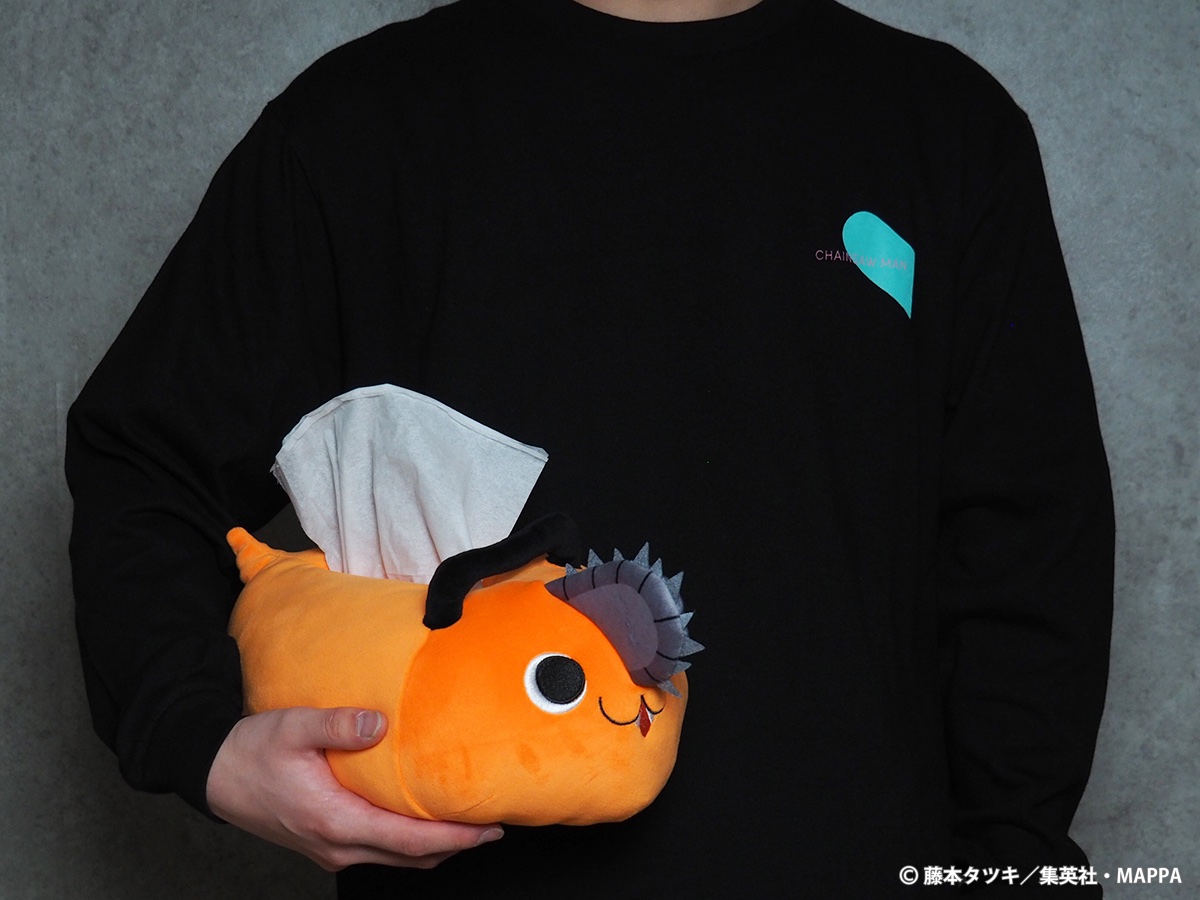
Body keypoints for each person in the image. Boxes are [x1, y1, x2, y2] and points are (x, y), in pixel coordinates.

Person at [66, 0, 1114, 896]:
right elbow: (146, 455)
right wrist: (200, 739)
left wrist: (1018, 869)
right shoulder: (361, 120)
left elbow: (1031, 546)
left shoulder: (943, 125)